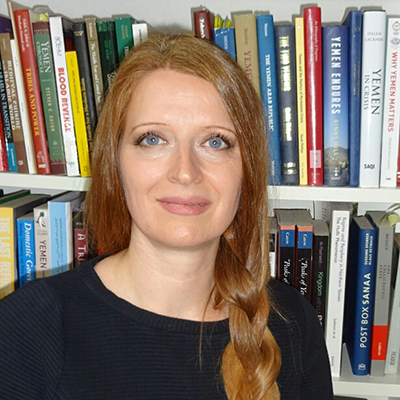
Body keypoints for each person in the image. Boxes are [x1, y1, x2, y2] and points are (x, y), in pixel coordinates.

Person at [0, 34, 333, 399]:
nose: (185, 172)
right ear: (115, 164)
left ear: (247, 169)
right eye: (153, 139)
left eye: (216, 142)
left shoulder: (293, 322)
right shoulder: (28, 328)